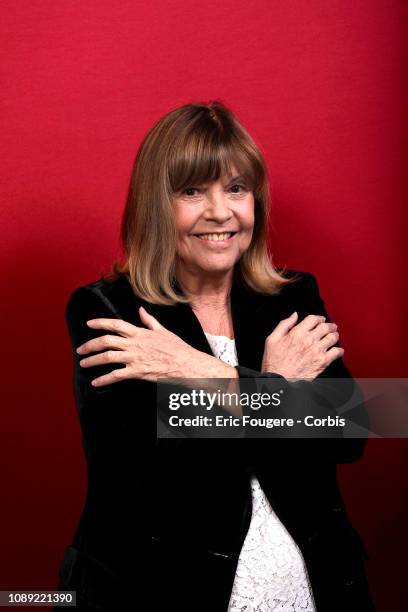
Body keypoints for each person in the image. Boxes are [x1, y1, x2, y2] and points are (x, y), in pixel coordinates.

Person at [56, 101, 375, 611]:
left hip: (309, 585)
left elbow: (353, 430)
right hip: (167, 589)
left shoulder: (292, 298)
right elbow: (163, 475)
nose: (220, 212)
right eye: (191, 192)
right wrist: (281, 391)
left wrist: (198, 371)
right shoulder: (106, 309)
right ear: (155, 205)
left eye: (236, 188)